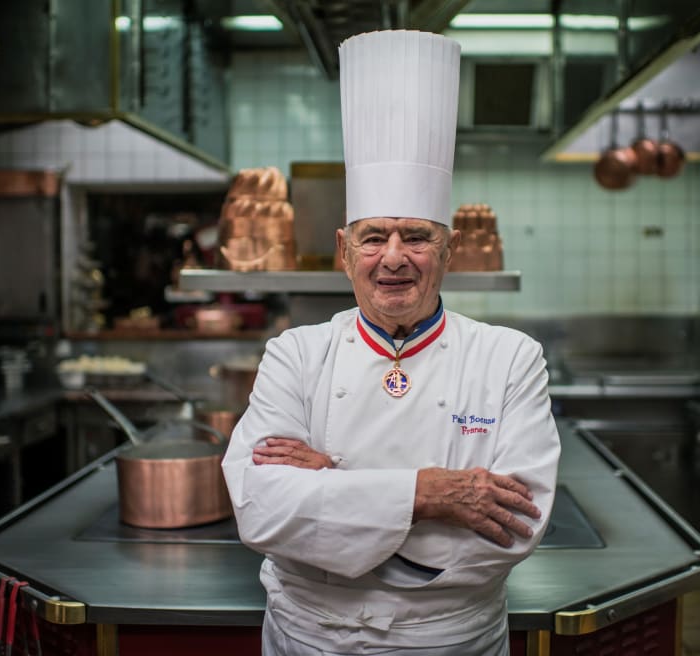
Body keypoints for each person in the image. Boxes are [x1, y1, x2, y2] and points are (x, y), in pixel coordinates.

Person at [221, 29, 561, 656]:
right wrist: (431, 494)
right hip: (309, 637)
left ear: (449, 251)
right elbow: (259, 509)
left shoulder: (511, 358)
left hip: (449, 639)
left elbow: (515, 527)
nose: (394, 258)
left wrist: (331, 487)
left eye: (417, 237)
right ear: (344, 252)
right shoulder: (294, 353)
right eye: (374, 237)